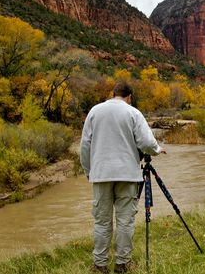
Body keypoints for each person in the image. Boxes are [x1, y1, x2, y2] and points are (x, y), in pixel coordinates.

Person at [80, 81, 166, 273]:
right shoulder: (133, 112)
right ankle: (122, 263)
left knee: (102, 221)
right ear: (129, 97)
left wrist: (88, 171)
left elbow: (85, 145)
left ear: (113, 94)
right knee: (125, 220)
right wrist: (158, 150)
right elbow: (146, 142)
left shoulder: (95, 111)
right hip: (127, 175)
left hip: (101, 174)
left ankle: (100, 265)